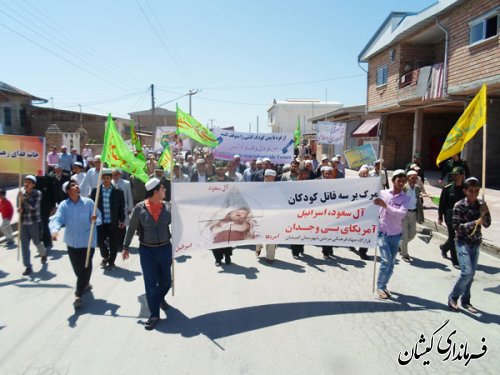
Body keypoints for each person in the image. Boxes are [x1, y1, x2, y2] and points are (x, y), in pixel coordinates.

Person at [122, 178, 172, 331]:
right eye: (163, 189)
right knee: (150, 283)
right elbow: (131, 228)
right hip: (147, 251)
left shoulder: (169, 207)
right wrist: (126, 246)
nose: (165, 191)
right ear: (156, 192)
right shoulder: (140, 208)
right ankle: (154, 314)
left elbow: (179, 223)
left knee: (166, 281)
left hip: (165, 249)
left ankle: (160, 298)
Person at [49, 180, 102, 308]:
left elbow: (99, 217)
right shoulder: (64, 205)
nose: (76, 186)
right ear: (68, 191)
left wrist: (95, 220)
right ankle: (85, 282)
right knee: (78, 269)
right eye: (72, 185)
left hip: (87, 242)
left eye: (76, 184)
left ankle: (78, 294)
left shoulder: (88, 203)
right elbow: (57, 218)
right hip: (72, 242)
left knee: (86, 267)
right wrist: (55, 230)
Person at [448, 177, 491, 313]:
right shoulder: (459, 206)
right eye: (471, 191)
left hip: (475, 243)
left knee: (471, 275)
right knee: (466, 272)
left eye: (476, 191)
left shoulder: (480, 205)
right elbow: (456, 227)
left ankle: (466, 301)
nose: (474, 194)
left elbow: (487, 224)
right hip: (462, 242)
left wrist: (485, 212)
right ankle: (453, 297)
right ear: (465, 191)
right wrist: (475, 223)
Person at [373, 169, 410, 299]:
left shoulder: (406, 198)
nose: (401, 183)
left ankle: (384, 284)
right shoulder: (383, 193)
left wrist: (386, 206)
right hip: (382, 233)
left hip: (396, 234)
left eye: (403, 181)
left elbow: (401, 214)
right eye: (398, 180)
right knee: (386, 261)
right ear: (393, 181)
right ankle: (380, 287)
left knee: (391, 263)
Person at [90, 169, 125, 270]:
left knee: (114, 244)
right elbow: (91, 206)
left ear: (111, 179)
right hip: (100, 222)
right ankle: (106, 256)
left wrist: (122, 220)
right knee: (100, 242)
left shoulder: (118, 191)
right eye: (104, 178)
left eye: (108, 178)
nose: (106, 180)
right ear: (101, 179)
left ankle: (111, 262)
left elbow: (121, 207)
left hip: (113, 222)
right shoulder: (96, 191)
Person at [18, 175, 47, 275]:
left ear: (33, 185)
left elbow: (33, 206)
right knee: (24, 245)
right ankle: (28, 266)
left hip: (34, 222)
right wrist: (20, 209)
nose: (26, 184)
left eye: (29, 182)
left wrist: (24, 198)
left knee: (37, 242)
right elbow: (20, 208)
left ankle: (43, 254)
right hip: (24, 222)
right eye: (25, 182)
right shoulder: (22, 194)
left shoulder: (37, 193)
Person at [438, 167, 465, 268]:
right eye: (453, 174)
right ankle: (455, 260)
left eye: (456, 174)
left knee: (456, 237)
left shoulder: (466, 189)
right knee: (454, 238)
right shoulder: (448, 188)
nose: (454, 176)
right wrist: (440, 216)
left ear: (462, 175)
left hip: (463, 217)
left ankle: (444, 248)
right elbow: (442, 204)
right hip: (450, 217)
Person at [208, 161, 234, 266]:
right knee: (216, 236)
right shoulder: (210, 181)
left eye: (223, 168)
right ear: (216, 169)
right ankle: (218, 259)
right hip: (214, 213)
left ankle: (228, 256)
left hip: (227, 213)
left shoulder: (230, 181)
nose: (221, 171)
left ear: (225, 169)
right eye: (219, 169)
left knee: (227, 236)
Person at [399, 170, 424, 263]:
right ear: (408, 178)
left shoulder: (417, 188)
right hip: (404, 213)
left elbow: (418, 202)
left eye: (416, 178)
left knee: (413, 234)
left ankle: (401, 245)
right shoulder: (403, 188)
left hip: (413, 213)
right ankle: (405, 254)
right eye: (412, 178)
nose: (414, 179)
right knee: (405, 235)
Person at [255, 169, 278, 263]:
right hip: (261, 215)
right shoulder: (258, 188)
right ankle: (258, 248)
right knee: (259, 235)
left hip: (273, 216)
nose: (270, 180)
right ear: (265, 177)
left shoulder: (278, 188)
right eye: (268, 177)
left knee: (272, 236)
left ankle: (270, 257)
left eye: (272, 178)